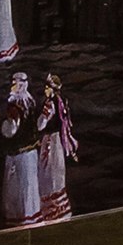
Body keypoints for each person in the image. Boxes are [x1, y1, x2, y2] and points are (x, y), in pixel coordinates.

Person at [0, 73, 44, 229]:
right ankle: (32, 217)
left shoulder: (14, 106)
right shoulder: (30, 101)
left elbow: (10, 130)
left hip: (18, 153)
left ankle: (20, 219)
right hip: (31, 151)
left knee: (17, 188)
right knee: (29, 187)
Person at [35, 72, 77, 224]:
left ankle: (51, 212)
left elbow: (40, 125)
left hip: (50, 142)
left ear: (52, 89)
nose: (45, 90)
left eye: (47, 88)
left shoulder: (50, 104)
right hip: (58, 141)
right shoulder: (61, 101)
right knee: (56, 173)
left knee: (48, 174)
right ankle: (61, 209)